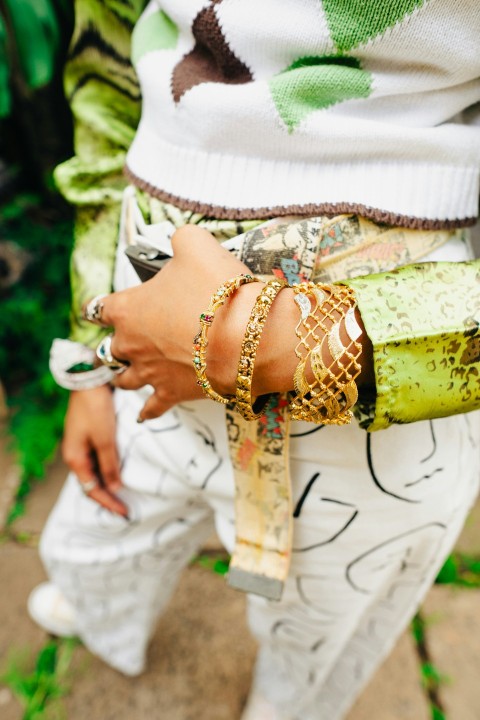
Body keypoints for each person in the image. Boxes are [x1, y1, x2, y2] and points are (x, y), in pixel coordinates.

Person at [28, 1, 480, 719]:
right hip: (145, 344)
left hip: (368, 399)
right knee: (99, 532)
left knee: (319, 621)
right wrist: (93, 359)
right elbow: (108, 61)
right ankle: (100, 604)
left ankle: (286, 704)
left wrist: (276, 342)